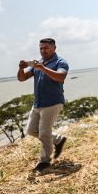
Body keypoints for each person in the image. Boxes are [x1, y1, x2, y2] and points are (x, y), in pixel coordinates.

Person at [17, 38, 69, 172]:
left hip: (53, 102)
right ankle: (58, 139)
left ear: (54, 48)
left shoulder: (60, 62)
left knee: (44, 132)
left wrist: (43, 68)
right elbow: (22, 78)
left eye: (46, 48)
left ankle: (44, 161)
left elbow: (61, 77)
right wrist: (21, 69)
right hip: (38, 103)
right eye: (41, 48)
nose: (43, 50)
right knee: (31, 130)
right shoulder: (38, 63)